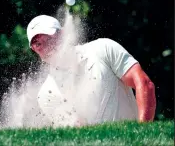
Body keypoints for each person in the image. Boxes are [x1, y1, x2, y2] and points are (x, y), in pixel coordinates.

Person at [26, 14, 156, 127]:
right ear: (34, 50)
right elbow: (78, 133)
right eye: (38, 44)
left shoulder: (103, 48)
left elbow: (145, 85)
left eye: (49, 38)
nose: (46, 46)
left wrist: (142, 131)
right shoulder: (46, 95)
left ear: (63, 34)